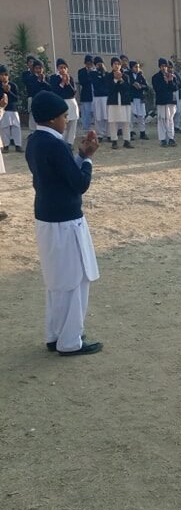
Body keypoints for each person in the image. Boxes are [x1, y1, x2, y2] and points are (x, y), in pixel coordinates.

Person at [25, 91, 103, 356]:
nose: (66, 120)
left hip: (47, 217)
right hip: (65, 220)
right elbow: (79, 183)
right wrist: (88, 158)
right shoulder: (56, 145)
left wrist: (78, 157)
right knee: (74, 280)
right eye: (63, 116)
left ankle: (55, 334)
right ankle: (70, 340)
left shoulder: (35, 141)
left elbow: (59, 176)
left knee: (57, 281)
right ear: (51, 119)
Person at [49, 59, 79, 148]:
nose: (63, 69)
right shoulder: (54, 78)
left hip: (71, 103)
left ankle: (70, 143)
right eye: (61, 67)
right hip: (61, 103)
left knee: (72, 124)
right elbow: (55, 91)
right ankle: (62, 141)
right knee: (63, 124)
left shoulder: (70, 78)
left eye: (64, 67)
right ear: (57, 68)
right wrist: (62, 83)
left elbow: (73, 92)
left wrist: (68, 83)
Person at [105, 57, 132, 149]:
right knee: (113, 121)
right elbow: (109, 89)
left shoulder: (126, 76)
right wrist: (115, 80)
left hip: (124, 101)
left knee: (126, 121)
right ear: (112, 65)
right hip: (113, 101)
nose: (117, 66)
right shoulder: (108, 76)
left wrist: (121, 80)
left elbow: (127, 88)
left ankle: (127, 140)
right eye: (115, 64)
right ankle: (114, 141)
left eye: (118, 64)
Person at [152, 58, 179, 147]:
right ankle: (163, 139)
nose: (164, 68)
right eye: (162, 66)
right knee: (161, 120)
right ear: (159, 67)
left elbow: (175, 88)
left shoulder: (172, 76)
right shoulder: (155, 77)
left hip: (170, 100)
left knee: (170, 120)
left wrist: (170, 81)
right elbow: (157, 89)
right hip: (161, 101)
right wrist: (165, 82)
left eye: (165, 66)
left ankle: (171, 138)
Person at [0, 64, 22, 152]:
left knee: (16, 127)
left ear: (8, 75)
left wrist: (8, 91)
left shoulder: (13, 85)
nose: (3, 77)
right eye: (1, 75)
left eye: (5, 74)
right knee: (4, 128)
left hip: (13, 109)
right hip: (3, 110)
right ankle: (6, 146)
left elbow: (17, 98)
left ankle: (18, 145)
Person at [127, 61, 148, 140]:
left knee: (141, 115)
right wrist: (132, 85)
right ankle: (130, 132)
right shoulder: (127, 75)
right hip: (131, 98)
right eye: (135, 67)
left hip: (140, 97)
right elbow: (125, 86)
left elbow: (146, 86)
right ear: (131, 68)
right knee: (131, 116)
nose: (137, 68)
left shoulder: (141, 75)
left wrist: (141, 86)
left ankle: (142, 132)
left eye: (138, 67)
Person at [77, 55, 96, 134]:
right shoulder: (81, 71)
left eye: (91, 63)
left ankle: (97, 130)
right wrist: (90, 75)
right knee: (86, 113)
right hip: (86, 95)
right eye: (87, 63)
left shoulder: (95, 71)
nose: (89, 64)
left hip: (95, 95)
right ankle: (86, 129)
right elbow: (82, 81)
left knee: (95, 113)